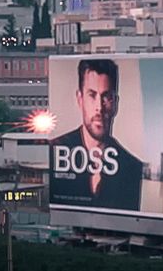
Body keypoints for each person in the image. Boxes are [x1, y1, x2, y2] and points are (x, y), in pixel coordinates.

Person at [51, 57, 143, 208]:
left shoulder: (133, 168)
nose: (99, 107)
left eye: (106, 97)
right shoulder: (54, 151)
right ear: (80, 100)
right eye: (92, 95)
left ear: (116, 104)